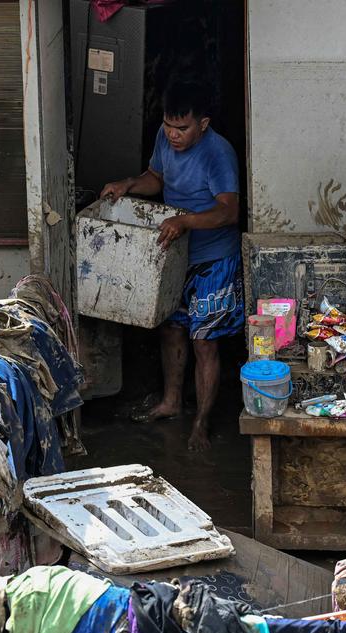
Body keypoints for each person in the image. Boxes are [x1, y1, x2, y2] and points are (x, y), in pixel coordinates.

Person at [101, 80, 241, 451]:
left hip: (213, 259)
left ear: (203, 124)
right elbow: (156, 178)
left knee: (204, 341)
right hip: (177, 255)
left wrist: (185, 221)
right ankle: (171, 402)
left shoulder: (218, 154)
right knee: (171, 329)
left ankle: (201, 422)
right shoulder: (165, 140)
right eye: (168, 126)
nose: (173, 135)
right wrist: (128, 184)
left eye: (182, 128)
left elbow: (229, 211)